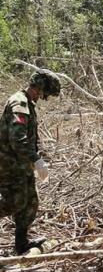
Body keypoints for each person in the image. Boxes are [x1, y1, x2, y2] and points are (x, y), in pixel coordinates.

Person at [0, 69, 61, 255]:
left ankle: (21, 244)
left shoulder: (28, 103)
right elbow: (17, 138)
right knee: (13, 202)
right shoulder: (19, 103)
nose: (45, 98)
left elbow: (31, 136)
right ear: (40, 88)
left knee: (30, 203)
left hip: (22, 163)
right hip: (9, 163)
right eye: (46, 94)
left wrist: (41, 155)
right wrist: (36, 160)